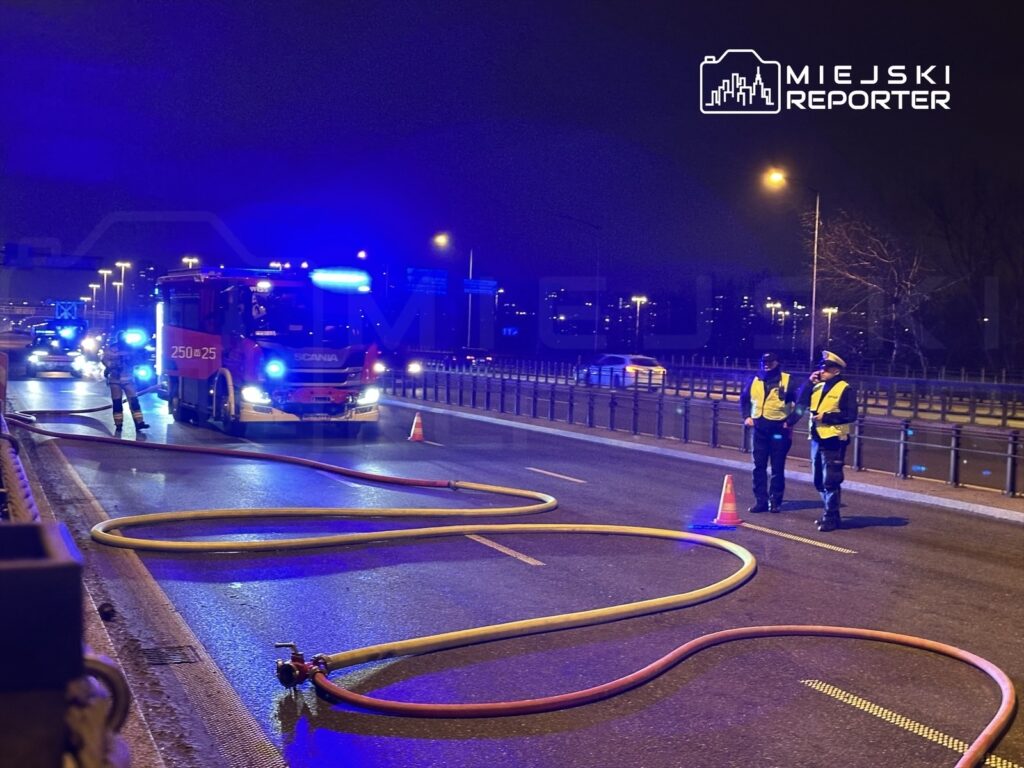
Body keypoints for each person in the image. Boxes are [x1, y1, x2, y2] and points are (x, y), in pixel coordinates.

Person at [796, 350, 858, 532]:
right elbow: (801, 401)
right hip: (816, 437)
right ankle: (832, 514)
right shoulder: (817, 386)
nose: (822, 371)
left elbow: (851, 415)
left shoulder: (845, 388)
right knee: (818, 480)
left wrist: (827, 417)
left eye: (826, 369)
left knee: (831, 480)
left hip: (834, 439)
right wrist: (809, 382)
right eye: (821, 368)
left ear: (836, 371)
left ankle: (829, 517)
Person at [739, 352, 799, 513]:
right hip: (759, 429)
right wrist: (746, 416)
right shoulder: (754, 379)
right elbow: (744, 399)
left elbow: (801, 404)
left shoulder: (787, 380)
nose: (766, 364)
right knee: (758, 467)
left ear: (777, 362)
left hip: (779, 429)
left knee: (777, 468)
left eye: (770, 362)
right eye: (763, 362)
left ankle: (775, 501)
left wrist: (791, 421)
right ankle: (761, 501)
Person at [102, 333, 150, 435]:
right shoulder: (111, 349)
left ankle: (139, 423)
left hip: (128, 379)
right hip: (115, 380)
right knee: (117, 403)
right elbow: (105, 359)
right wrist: (113, 365)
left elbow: (137, 359)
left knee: (134, 402)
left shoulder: (131, 349)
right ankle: (118, 424)